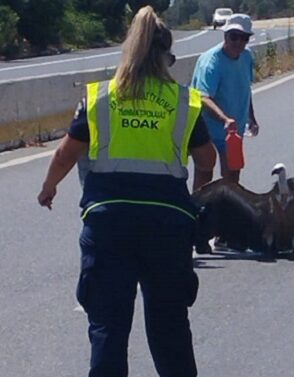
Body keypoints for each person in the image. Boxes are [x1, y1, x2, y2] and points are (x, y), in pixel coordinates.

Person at [37, 6, 216, 376]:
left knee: (108, 327)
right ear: (166, 55)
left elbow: (65, 154)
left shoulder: (100, 97)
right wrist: (197, 199)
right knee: (170, 327)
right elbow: (206, 158)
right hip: (167, 226)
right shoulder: (184, 101)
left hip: (109, 225)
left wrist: (48, 188)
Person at [191, 13, 260, 184]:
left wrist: (252, 118)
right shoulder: (212, 62)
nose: (238, 42)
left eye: (243, 38)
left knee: (232, 176)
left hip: (233, 132)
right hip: (206, 129)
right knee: (205, 174)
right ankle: (199, 209)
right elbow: (203, 97)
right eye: (234, 36)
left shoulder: (246, 57)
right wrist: (224, 119)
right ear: (225, 35)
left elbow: (245, 88)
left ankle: (226, 210)